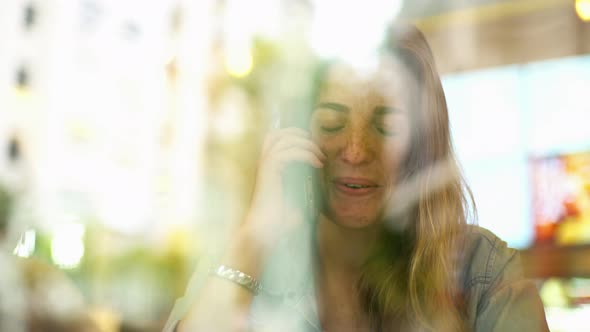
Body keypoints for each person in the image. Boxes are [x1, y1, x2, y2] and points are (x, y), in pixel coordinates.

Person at [164, 23, 549, 332]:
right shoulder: (249, 255)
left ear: (420, 141)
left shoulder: (485, 273)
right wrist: (255, 238)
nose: (356, 151)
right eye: (332, 121)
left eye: (384, 125)